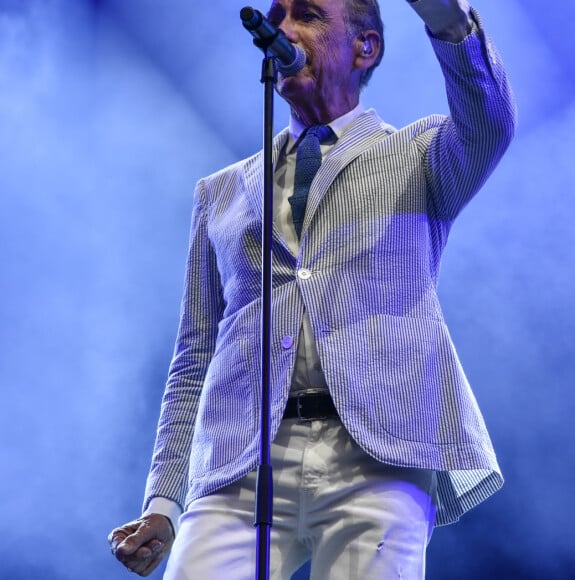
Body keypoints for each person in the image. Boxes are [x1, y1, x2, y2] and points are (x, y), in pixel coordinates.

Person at [109, 0, 516, 577]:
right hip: (239, 464)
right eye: (276, 15)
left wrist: (451, 23)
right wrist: (164, 502)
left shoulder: (420, 155)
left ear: (364, 47)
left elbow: (491, 122)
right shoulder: (220, 194)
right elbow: (193, 358)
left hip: (377, 457)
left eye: (308, 15)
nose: (282, 29)